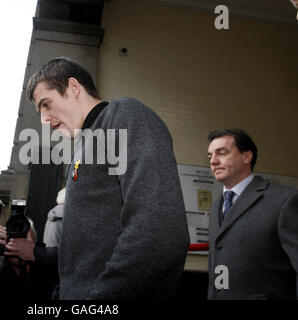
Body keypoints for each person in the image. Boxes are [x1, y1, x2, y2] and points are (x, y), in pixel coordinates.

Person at [25, 56, 190, 299]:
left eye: (46, 104)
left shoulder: (123, 114)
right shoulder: (82, 150)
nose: (44, 120)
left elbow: (160, 229)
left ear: (73, 88)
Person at [206, 129, 298, 300]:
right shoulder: (217, 205)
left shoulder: (285, 199)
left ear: (247, 157)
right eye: (210, 156)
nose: (213, 161)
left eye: (222, 153)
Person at [0, 219, 58, 299]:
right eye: (14, 237)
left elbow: (65, 260)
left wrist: (36, 253)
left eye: (23, 237)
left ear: (35, 241)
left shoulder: (46, 263)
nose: (19, 243)